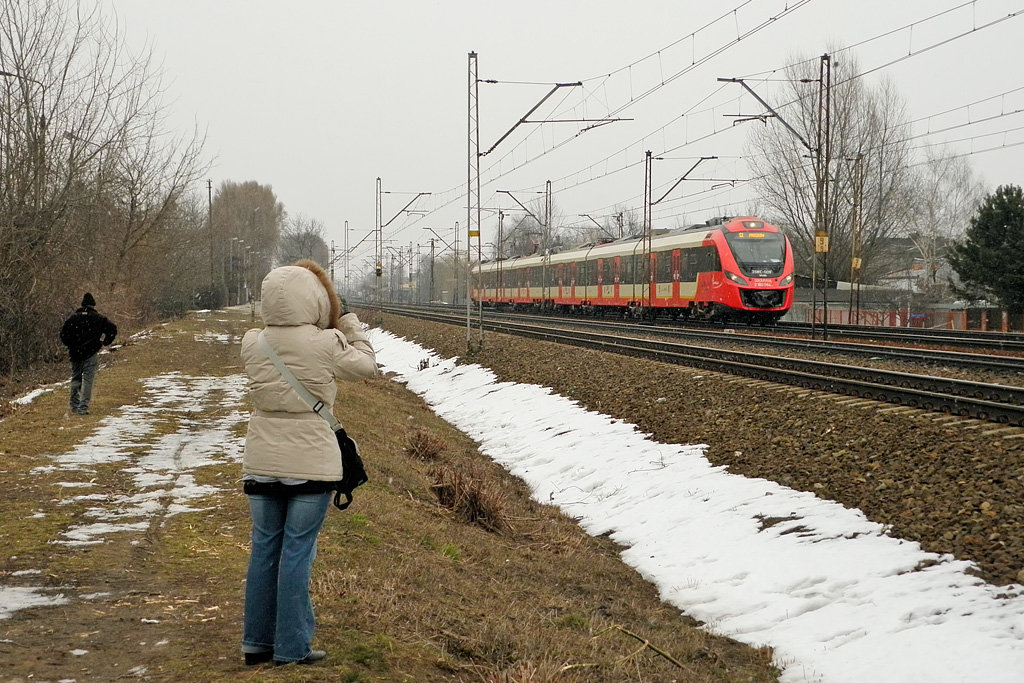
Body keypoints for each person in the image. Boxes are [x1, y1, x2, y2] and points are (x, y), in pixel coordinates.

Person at [239, 260, 377, 667]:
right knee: (297, 552)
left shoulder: (252, 341)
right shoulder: (326, 342)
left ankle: (256, 644)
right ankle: (292, 648)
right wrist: (349, 322)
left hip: (261, 459)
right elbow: (367, 365)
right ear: (315, 299)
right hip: (311, 464)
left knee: (264, 549)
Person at [59, 292, 117, 416]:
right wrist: (104, 343)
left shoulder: (73, 318)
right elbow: (112, 329)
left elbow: (63, 335)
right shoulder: (99, 318)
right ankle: (83, 407)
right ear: (93, 306)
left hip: (75, 354)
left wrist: (71, 345)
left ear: (82, 304)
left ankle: (74, 404)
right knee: (88, 380)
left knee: (76, 378)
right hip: (91, 353)